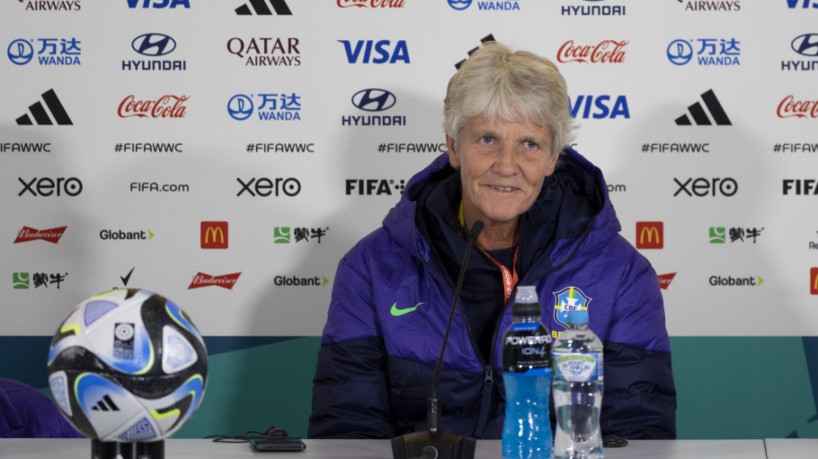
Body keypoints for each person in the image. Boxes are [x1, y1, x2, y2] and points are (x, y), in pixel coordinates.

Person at [308, 41, 676, 440]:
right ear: (453, 147)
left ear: (553, 157)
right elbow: (347, 431)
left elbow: (640, 435)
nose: (506, 165)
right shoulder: (371, 267)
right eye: (487, 139)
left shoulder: (621, 273)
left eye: (529, 144)